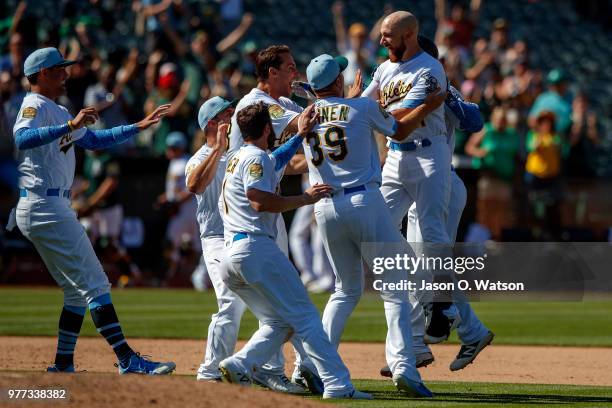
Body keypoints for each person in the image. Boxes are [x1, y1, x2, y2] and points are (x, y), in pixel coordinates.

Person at [8, 47, 174, 374]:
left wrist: (138, 126)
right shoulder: (33, 105)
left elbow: (95, 141)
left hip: (46, 204)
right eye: (59, 69)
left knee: (75, 291)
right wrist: (69, 123)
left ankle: (63, 362)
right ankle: (127, 358)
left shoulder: (55, 108)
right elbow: (23, 138)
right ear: (42, 74)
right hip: (45, 204)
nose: (67, 74)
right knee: (96, 285)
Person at [304, 52, 445, 396]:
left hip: (325, 207)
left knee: (345, 289)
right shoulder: (362, 108)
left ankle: (309, 365)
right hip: (363, 200)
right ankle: (404, 368)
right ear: (337, 81)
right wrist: (428, 105)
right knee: (395, 285)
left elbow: (334, 113)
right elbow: (398, 130)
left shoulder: (304, 117)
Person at [217, 101, 371, 400]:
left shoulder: (239, 156)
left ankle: (240, 362)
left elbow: (275, 160)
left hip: (230, 255)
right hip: (255, 248)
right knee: (307, 318)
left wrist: (299, 136)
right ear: (266, 129)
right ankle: (338, 385)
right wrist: (304, 198)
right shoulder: (256, 159)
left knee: (278, 322)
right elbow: (259, 200)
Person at [380, 37, 493, 377]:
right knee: (418, 264)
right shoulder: (398, 84)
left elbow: (476, 121)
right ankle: (463, 329)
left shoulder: (440, 85)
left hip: (441, 182)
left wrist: (449, 99)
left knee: (420, 265)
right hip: (420, 180)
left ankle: (427, 335)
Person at [362, 10, 454, 362]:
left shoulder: (430, 70)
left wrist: (368, 112)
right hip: (397, 157)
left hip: (429, 154)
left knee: (431, 232)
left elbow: (397, 119)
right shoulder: (385, 68)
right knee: (375, 225)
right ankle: (416, 284)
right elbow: (365, 104)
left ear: (409, 35)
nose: (382, 40)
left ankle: (443, 303)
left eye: (388, 35)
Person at [158, 131, 199, 279]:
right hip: (180, 210)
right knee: (180, 244)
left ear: (181, 147)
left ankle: (187, 275)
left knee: (185, 244)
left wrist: (175, 201)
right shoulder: (175, 162)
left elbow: (191, 187)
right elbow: (174, 189)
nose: (169, 150)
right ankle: (180, 275)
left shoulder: (186, 162)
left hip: (187, 210)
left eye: (173, 147)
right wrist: (166, 198)